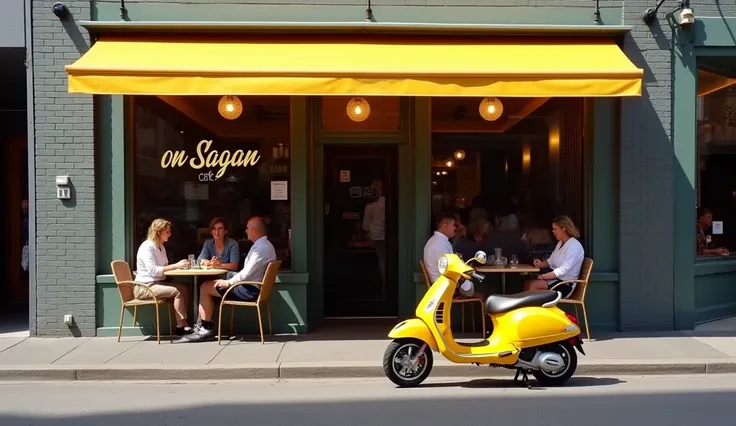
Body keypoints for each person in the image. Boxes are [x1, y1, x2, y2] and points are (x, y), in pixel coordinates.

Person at [188, 216, 276, 340]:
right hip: (252, 286)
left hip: (249, 290)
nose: (246, 231)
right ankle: (203, 325)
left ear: (255, 231)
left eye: (247, 228)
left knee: (205, 287)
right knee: (212, 284)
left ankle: (205, 328)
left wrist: (228, 283)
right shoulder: (266, 246)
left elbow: (245, 274)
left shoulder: (260, 249)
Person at [134, 218, 193, 335]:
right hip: (144, 287)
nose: (170, 234)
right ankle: (181, 326)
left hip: (156, 284)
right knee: (177, 291)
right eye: (167, 231)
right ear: (158, 232)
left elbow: (165, 266)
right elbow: (154, 271)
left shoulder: (161, 246)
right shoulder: (148, 247)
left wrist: (179, 267)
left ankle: (183, 323)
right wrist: (176, 265)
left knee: (183, 289)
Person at [424, 213, 484, 299]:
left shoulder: (439, 241)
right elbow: (449, 269)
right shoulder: (439, 244)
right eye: (453, 225)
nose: (455, 228)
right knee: (481, 291)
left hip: (445, 284)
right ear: (445, 226)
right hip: (444, 288)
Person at [524, 215, 584, 299]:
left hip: (564, 284)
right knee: (527, 283)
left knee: (533, 285)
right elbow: (551, 261)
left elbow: (563, 270)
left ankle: (538, 311)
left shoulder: (574, 246)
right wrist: (540, 264)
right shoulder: (560, 243)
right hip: (556, 280)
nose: (553, 232)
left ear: (564, 228)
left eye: (555, 229)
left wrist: (544, 276)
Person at [363, 178, 386, 283]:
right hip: (386, 235)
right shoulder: (387, 203)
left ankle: (383, 281)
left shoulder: (370, 206)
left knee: (381, 259)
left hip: (377, 237)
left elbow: (366, 226)